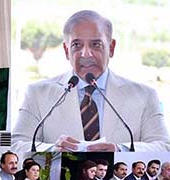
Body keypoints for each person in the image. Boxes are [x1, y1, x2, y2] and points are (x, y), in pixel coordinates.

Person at [12, 10, 170, 152]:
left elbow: (163, 146)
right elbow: (16, 144)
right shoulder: (37, 93)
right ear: (67, 51)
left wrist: (120, 149)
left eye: (96, 44)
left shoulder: (145, 96)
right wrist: (54, 149)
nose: (86, 54)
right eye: (76, 45)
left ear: (112, 47)